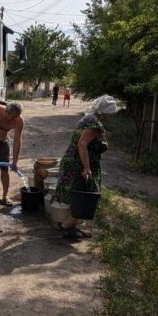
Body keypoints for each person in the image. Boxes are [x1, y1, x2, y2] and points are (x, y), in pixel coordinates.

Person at [55, 95, 117, 239]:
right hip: (79, 163)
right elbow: (82, 144)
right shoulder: (95, 125)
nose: (112, 116)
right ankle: (67, 226)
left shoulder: (88, 118)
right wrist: (87, 168)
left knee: (76, 193)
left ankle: (72, 225)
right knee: (84, 194)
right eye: (111, 113)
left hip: (73, 160)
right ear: (105, 112)